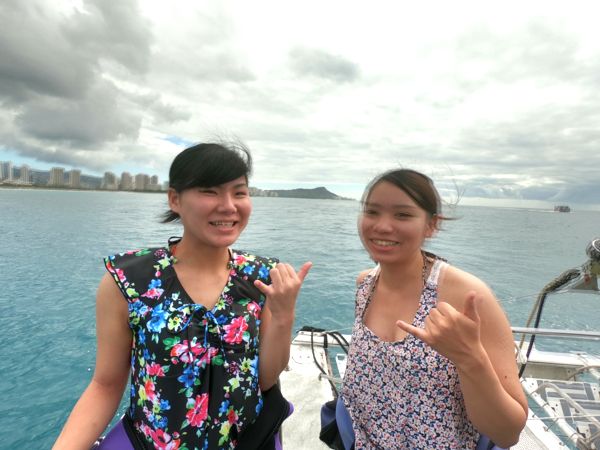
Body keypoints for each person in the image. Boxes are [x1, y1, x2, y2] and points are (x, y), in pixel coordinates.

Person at [53, 142, 311, 450]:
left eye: (239, 192)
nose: (229, 206)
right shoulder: (130, 280)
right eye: (210, 191)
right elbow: (105, 385)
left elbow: (264, 380)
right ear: (175, 199)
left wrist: (283, 316)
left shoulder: (260, 277)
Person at [340, 168, 527, 449]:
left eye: (402, 215)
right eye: (372, 212)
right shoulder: (366, 285)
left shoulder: (467, 296)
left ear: (431, 225)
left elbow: (508, 433)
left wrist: (469, 358)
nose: (382, 226)